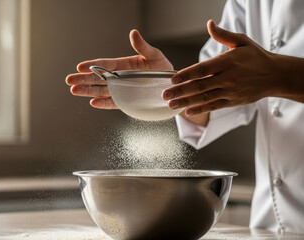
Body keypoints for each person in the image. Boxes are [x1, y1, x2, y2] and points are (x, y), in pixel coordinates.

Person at [66, 0, 304, 234]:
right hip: (269, 228)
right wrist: (165, 86)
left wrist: (281, 76)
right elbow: (217, 97)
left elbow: (258, 79)